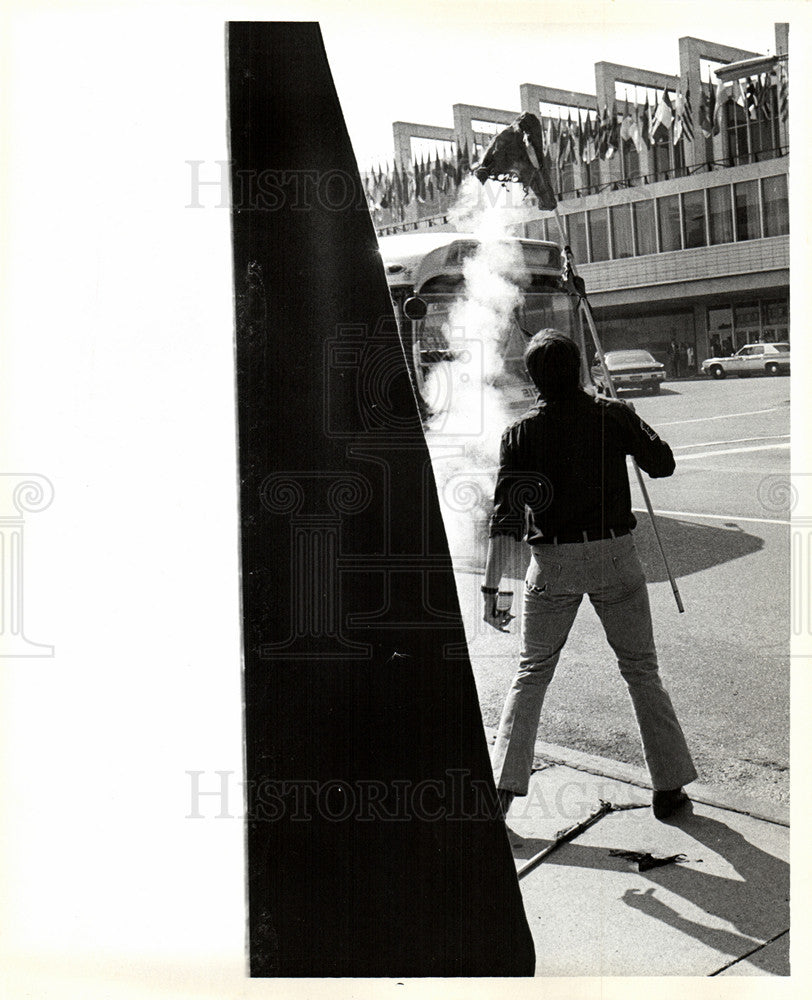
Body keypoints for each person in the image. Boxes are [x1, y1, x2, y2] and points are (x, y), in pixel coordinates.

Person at [483, 330, 697, 821]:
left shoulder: (519, 434)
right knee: (641, 671)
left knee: (532, 672)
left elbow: (506, 522)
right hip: (616, 557)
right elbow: (661, 464)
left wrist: (492, 590)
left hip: (553, 563)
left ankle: (502, 791)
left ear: (532, 377)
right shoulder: (611, 414)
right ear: (580, 370)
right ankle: (668, 789)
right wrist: (627, 418)